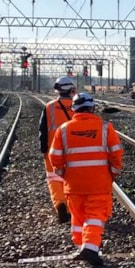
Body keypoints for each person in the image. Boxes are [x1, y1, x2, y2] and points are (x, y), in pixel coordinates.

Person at [49, 92, 124, 266]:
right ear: (92, 108)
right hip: (99, 183)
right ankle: (89, 248)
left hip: (73, 184)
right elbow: (116, 153)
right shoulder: (105, 127)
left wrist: (63, 174)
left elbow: (55, 157)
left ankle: (80, 244)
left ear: (74, 109)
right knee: (95, 215)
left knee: (78, 216)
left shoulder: (64, 129)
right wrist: (112, 173)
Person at [39, 76, 76, 224]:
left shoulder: (49, 106)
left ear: (58, 90)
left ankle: (60, 203)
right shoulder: (78, 105)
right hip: (73, 150)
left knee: (54, 179)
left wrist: (43, 149)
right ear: (71, 89)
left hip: (53, 150)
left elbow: (42, 130)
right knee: (71, 179)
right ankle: (72, 208)